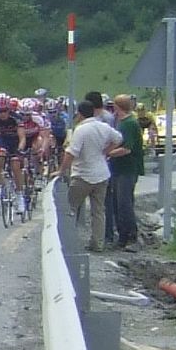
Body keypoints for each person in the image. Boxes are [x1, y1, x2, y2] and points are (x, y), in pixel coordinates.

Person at [58, 100, 123, 252]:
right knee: (98, 211)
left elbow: (71, 152)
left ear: (79, 114)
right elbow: (119, 139)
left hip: (83, 174)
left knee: (71, 208)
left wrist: (61, 171)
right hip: (102, 174)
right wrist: (105, 151)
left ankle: (69, 242)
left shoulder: (81, 130)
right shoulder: (103, 127)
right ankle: (97, 242)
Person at [107, 95, 144, 251]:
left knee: (124, 203)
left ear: (118, 106)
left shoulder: (129, 124)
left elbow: (127, 148)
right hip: (118, 168)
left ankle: (130, 235)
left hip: (127, 168)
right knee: (117, 203)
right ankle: (122, 235)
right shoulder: (120, 122)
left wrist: (107, 154)